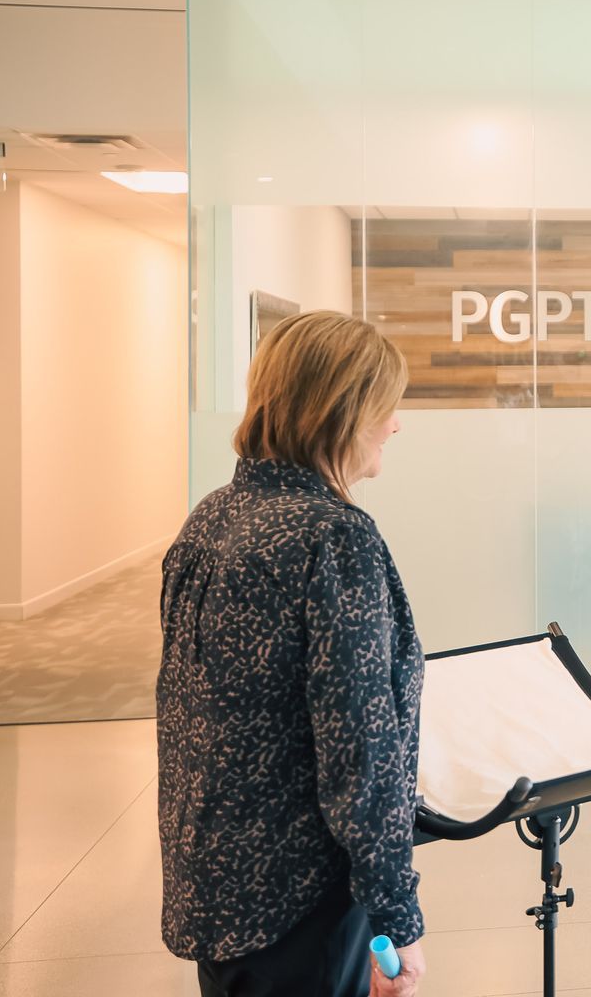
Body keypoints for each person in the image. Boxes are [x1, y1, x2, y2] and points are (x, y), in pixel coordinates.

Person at [157, 312, 427, 997]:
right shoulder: (333, 541)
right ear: (341, 412)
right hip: (299, 900)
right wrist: (395, 920)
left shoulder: (212, 517)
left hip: (217, 886)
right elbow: (358, 753)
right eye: (384, 407)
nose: (396, 425)